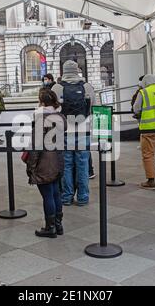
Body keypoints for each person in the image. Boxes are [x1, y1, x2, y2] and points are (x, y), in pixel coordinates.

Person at [52, 60, 95, 206]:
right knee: (83, 164)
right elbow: (94, 108)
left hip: (64, 132)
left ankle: (67, 197)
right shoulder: (87, 87)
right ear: (77, 70)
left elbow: (53, 112)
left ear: (63, 71)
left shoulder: (57, 87)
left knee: (67, 165)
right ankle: (83, 197)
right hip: (84, 131)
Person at [26, 88, 67, 238]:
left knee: (47, 196)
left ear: (41, 102)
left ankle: (50, 228)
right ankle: (58, 225)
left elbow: (35, 147)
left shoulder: (40, 119)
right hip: (58, 160)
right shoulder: (61, 117)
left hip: (44, 162)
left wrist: (31, 167)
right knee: (56, 193)